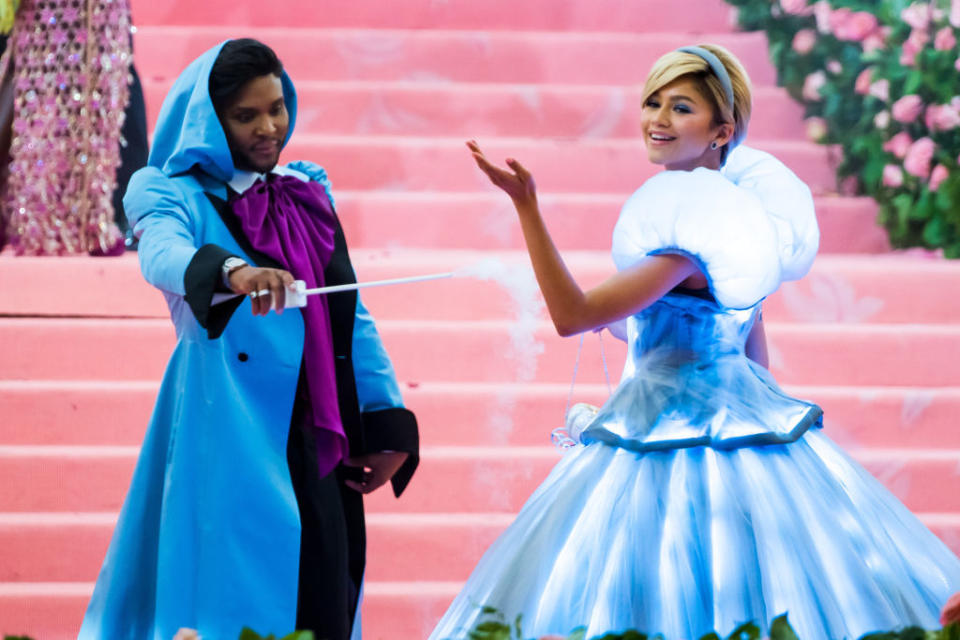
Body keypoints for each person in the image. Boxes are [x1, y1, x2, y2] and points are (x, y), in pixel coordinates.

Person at [430, 44, 960, 640]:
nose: (657, 118)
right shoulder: (744, 234)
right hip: (743, 437)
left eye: (681, 107)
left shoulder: (686, 243)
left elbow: (572, 315)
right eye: (652, 101)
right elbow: (755, 358)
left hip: (662, 447)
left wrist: (526, 206)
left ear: (722, 131)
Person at [78, 38, 419, 640]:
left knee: (322, 601)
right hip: (224, 431)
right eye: (246, 115)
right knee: (224, 610)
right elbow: (161, 252)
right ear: (209, 121)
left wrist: (386, 419)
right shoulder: (164, 190)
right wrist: (235, 271)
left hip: (319, 431)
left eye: (277, 107)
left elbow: (348, 312)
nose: (270, 127)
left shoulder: (307, 190)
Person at [0, 0, 134, 255]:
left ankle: (87, 221)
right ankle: (39, 220)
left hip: (98, 14)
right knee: (38, 99)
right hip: (44, 13)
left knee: (94, 105)